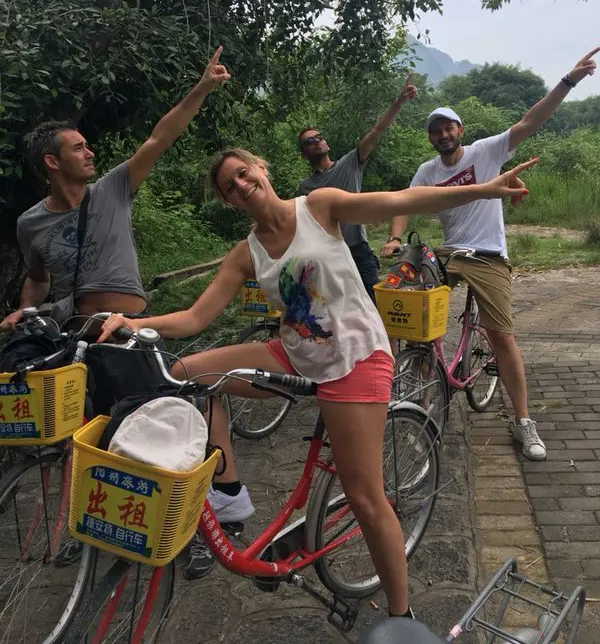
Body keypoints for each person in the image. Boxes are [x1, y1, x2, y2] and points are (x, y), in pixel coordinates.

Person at [98, 146, 536, 615]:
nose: (242, 185)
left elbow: (403, 199)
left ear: (262, 169)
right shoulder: (244, 254)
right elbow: (195, 316)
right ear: (229, 202)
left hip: (356, 357)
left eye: (245, 174)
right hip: (293, 352)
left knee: (367, 498)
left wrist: (488, 188)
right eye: (230, 186)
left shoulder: (320, 206)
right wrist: (132, 322)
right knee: (186, 375)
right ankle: (226, 493)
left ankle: (400, 615)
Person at [0, 46, 231, 574]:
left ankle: (193, 531)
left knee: (160, 426)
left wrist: (201, 87)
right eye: (77, 148)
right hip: (75, 334)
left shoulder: (113, 190)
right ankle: (90, 526)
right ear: (51, 163)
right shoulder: (30, 223)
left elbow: (160, 136)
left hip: (128, 331)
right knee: (89, 433)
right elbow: (36, 280)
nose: (90, 153)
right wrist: (23, 311)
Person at [380, 48, 599, 461]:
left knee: (501, 336)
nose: (443, 135)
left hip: (486, 255)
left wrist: (569, 80)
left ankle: (522, 421)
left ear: (460, 129)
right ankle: (421, 392)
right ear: (430, 138)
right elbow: (401, 203)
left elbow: (530, 122)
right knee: (412, 314)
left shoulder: (486, 152)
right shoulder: (428, 171)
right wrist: (394, 239)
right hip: (447, 253)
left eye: (448, 128)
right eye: (435, 131)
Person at [297, 74, 417, 301]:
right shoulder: (306, 188)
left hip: (357, 251)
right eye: (309, 141)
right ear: (304, 154)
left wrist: (399, 102)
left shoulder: (350, 163)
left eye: (319, 137)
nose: (317, 141)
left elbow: (376, 131)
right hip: (328, 256)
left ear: (327, 142)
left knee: (374, 308)